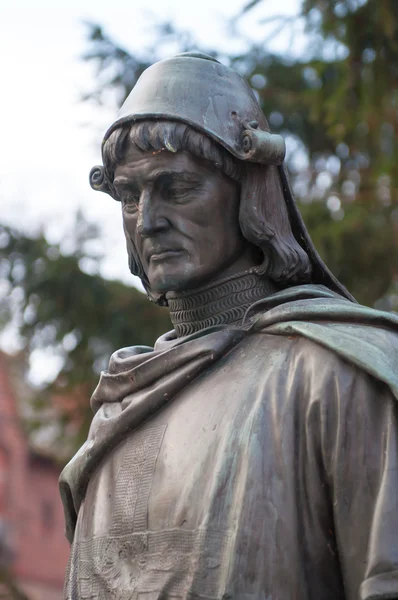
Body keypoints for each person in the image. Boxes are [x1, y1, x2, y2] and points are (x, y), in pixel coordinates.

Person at [60, 52, 398, 600]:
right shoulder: (118, 411)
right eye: (129, 196)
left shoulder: (337, 375)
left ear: (250, 191)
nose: (148, 221)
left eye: (177, 187)